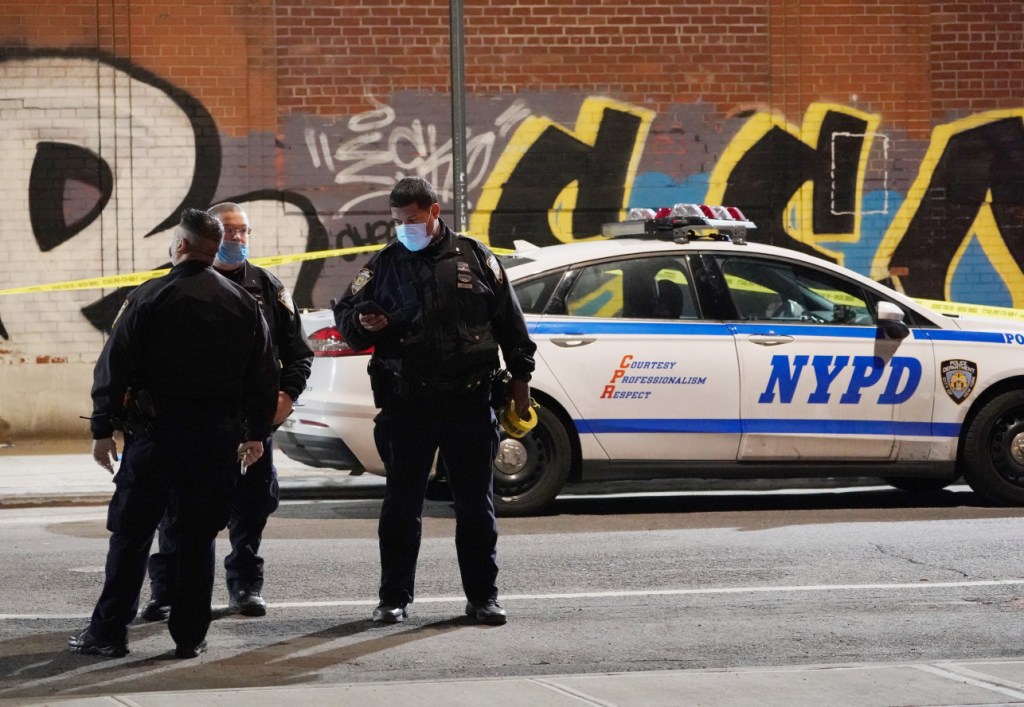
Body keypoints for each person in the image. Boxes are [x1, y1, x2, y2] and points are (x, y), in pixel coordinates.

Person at [69, 208, 278, 659]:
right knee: (197, 538)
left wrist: (103, 427)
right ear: (214, 247)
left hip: (155, 438)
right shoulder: (244, 304)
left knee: (131, 535)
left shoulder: (149, 297)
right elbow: (264, 376)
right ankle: (189, 637)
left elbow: (113, 366)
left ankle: (108, 634)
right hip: (215, 441)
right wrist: (255, 433)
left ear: (180, 245)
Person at [334, 177, 536, 626]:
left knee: (475, 507)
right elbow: (346, 318)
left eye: (412, 219)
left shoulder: (476, 257)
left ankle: (483, 597)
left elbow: (510, 323)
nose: (406, 227)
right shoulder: (384, 264)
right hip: (408, 406)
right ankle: (394, 599)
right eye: (398, 221)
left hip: (469, 402)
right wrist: (364, 325)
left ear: (434, 210)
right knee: (401, 507)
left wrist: (521, 383)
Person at [140, 203, 313, 621]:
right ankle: (167, 591)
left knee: (251, 509)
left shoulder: (268, 288)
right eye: (230, 232)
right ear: (213, 237)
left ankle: (245, 587)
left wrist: (286, 395)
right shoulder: (179, 286)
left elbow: (297, 354)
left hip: (251, 425)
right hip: (198, 424)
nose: (238, 239)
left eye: (244, 232)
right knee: (177, 512)